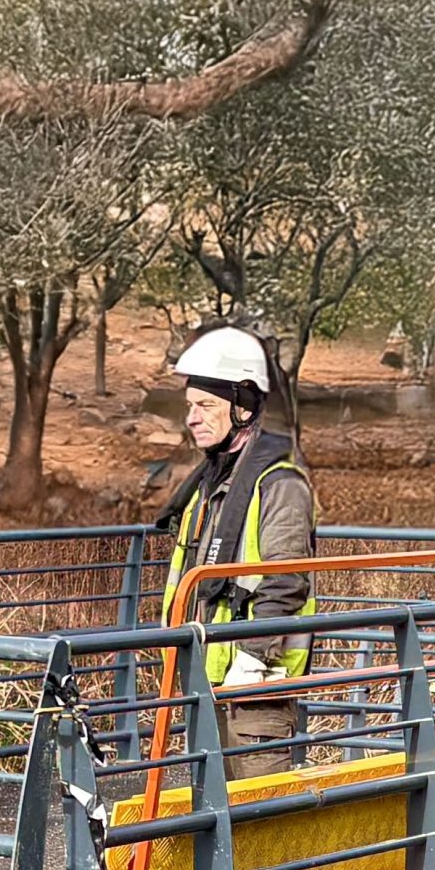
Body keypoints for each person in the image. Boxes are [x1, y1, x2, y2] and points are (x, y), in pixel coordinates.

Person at [153, 325, 319, 781]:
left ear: (243, 406)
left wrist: (254, 658)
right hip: (205, 680)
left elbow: (287, 577)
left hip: (254, 691)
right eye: (190, 406)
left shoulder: (279, 483)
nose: (191, 418)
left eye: (205, 405)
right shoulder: (211, 484)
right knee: (213, 825)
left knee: (257, 822)